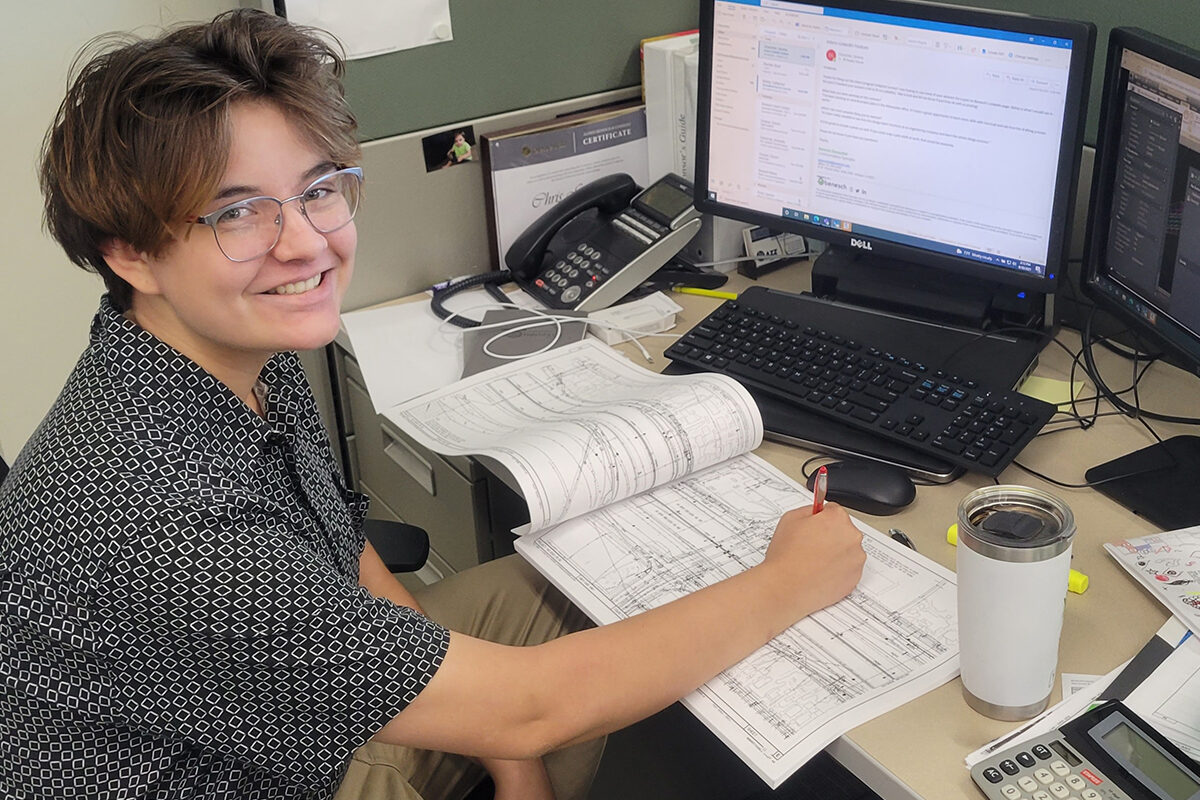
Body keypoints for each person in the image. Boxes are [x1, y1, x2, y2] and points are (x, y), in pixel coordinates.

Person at [0, 9, 866, 800]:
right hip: (253, 775)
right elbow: (530, 704)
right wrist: (790, 583)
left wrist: (512, 757)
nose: (305, 243)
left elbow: (343, 554)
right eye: (238, 215)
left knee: (585, 591)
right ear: (132, 256)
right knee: (591, 666)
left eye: (317, 190)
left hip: (276, 720)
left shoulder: (217, 355)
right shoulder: (154, 516)